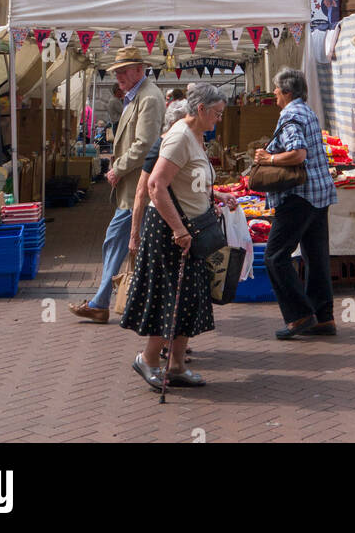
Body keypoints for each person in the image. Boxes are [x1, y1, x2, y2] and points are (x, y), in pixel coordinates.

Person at [121, 84, 239, 390]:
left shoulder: (197, 136)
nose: (219, 119)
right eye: (217, 113)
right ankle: (147, 359)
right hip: (170, 231)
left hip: (190, 228)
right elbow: (155, 185)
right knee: (171, 296)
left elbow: (191, 181)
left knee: (188, 298)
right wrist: (178, 230)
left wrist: (215, 196)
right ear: (200, 109)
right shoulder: (179, 136)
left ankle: (176, 366)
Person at [69, 48, 164, 324]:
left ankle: (107, 303)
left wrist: (118, 168)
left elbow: (145, 144)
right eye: (116, 72)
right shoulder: (137, 96)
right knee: (124, 243)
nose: (118, 76)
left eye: (123, 71)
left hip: (138, 188)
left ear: (140, 70)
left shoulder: (148, 97)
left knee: (124, 242)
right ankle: (110, 302)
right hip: (133, 188)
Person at [254, 67, 337, 339]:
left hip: (298, 195)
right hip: (319, 192)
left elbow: (298, 153)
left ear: (287, 91)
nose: (275, 93)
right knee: (316, 256)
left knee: (275, 256)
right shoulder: (306, 111)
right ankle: (323, 317)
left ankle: (300, 315)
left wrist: (269, 159)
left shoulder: (290, 114)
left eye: (277, 89)